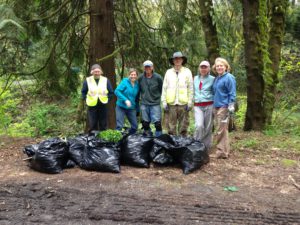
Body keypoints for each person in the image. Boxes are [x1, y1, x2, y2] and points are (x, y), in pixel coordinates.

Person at [161, 51, 193, 136]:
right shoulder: (168, 72)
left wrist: (190, 101)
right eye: (176, 59)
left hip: (183, 103)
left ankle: (182, 143)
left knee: (184, 126)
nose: (177, 60)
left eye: (179, 59)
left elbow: (190, 88)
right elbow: (164, 87)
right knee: (171, 127)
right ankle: (173, 144)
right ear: (173, 61)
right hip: (171, 103)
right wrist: (164, 101)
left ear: (182, 60)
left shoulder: (187, 72)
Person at [212, 57, 236, 159]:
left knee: (220, 129)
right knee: (223, 129)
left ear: (226, 67)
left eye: (221, 65)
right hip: (216, 106)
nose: (219, 67)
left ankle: (221, 151)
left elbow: (232, 93)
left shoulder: (229, 77)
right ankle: (225, 152)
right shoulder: (217, 78)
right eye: (217, 66)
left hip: (225, 106)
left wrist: (231, 107)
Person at [81, 64, 114, 132]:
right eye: (95, 71)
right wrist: (86, 100)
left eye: (98, 71)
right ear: (92, 72)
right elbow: (83, 92)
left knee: (103, 123)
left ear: (101, 72)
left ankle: (102, 140)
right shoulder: (87, 80)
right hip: (91, 105)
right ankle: (93, 139)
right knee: (93, 123)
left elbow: (111, 92)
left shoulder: (105, 80)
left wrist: (107, 100)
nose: (97, 73)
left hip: (103, 104)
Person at [138, 60, 163, 137]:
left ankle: (159, 140)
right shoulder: (140, 78)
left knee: (158, 124)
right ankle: (148, 137)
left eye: (149, 67)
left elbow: (162, 89)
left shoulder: (158, 77)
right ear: (144, 68)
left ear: (152, 67)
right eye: (146, 67)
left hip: (155, 103)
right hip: (144, 103)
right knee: (145, 124)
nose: (147, 68)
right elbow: (138, 89)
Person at [193, 60, 215, 150]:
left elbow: (215, 92)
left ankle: (206, 147)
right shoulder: (194, 78)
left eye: (205, 67)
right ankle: (196, 143)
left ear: (209, 68)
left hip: (209, 105)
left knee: (208, 127)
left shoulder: (213, 79)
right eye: (202, 67)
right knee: (199, 125)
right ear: (199, 68)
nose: (203, 69)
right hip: (197, 105)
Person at [114, 68, 139, 134]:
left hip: (131, 108)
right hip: (121, 106)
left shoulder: (137, 85)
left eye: (134, 75)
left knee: (135, 126)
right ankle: (116, 142)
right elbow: (117, 91)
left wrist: (138, 109)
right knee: (119, 126)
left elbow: (137, 98)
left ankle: (129, 138)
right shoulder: (125, 81)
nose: (133, 76)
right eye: (131, 74)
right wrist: (126, 100)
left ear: (137, 76)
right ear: (129, 75)